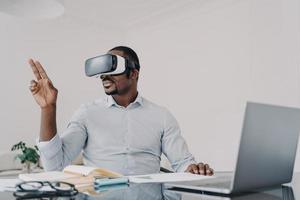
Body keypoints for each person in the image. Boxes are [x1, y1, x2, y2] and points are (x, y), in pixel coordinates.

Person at [29, 46, 214, 176]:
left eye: (112, 67)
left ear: (133, 73)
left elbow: (182, 163)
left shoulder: (161, 116)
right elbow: (54, 165)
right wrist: (48, 108)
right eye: (102, 70)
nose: (104, 76)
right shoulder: (87, 113)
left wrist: (193, 168)